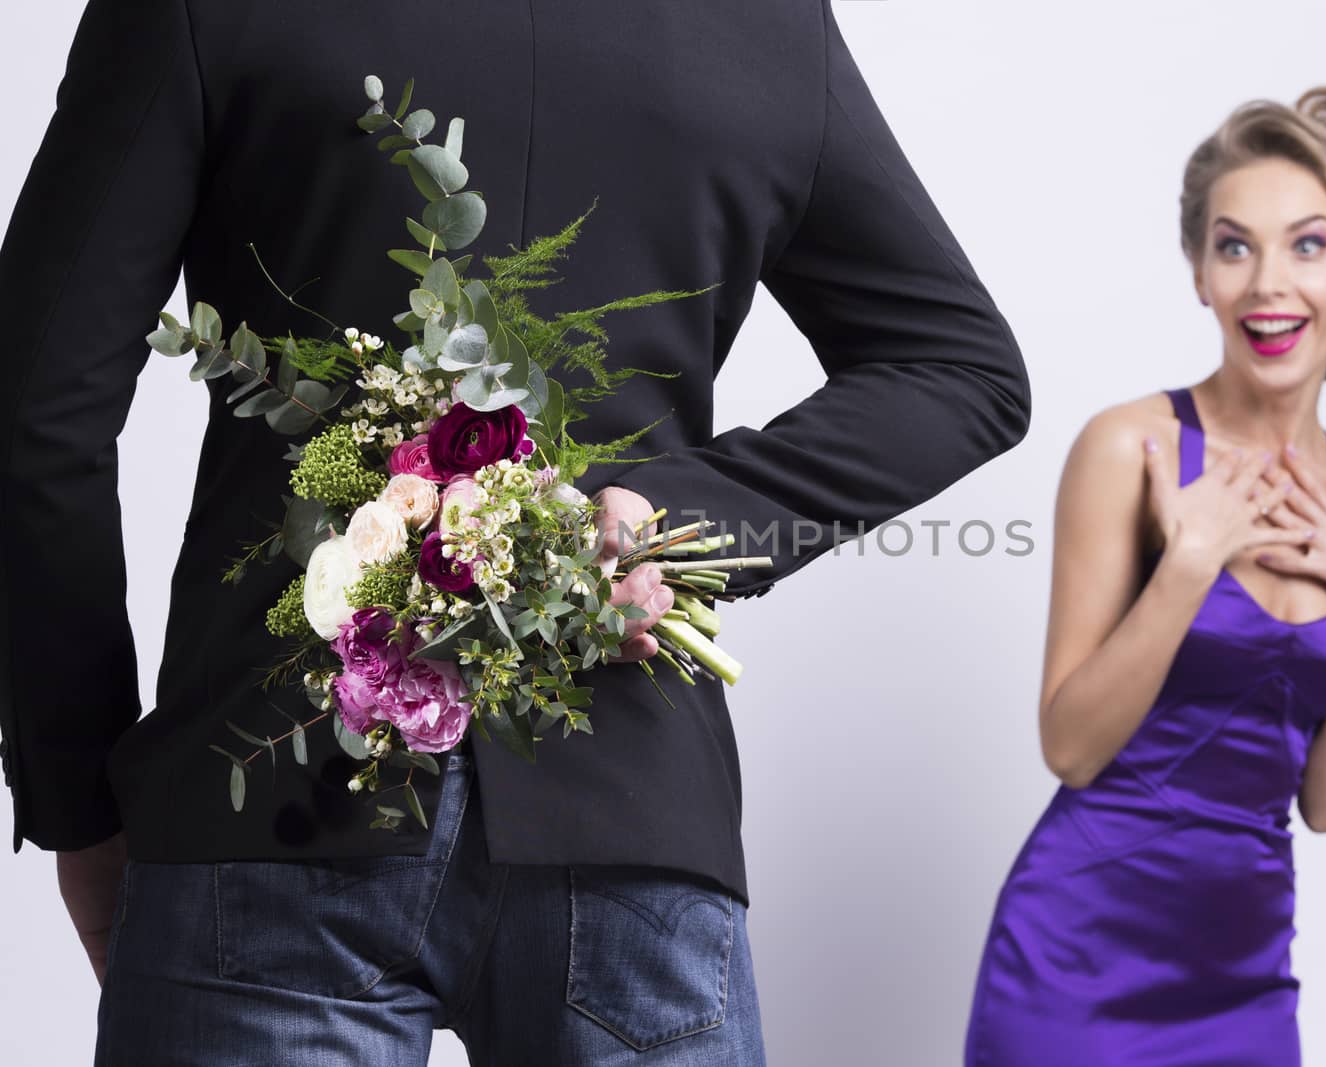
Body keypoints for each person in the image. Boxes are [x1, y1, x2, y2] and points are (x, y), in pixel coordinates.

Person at [0, 0, 1030, 1063]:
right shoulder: (763, 22)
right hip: (628, 794)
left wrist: (78, 793)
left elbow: (34, 414)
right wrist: (676, 514)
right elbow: (959, 369)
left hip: (272, 777)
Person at [963, 87, 1326, 1066]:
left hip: (1246, 982)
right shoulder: (1127, 448)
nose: (1268, 282)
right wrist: (1186, 563)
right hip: (1072, 965)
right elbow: (1071, 745)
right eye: (1234, 246)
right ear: (1198, 275)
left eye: (1307, 244)